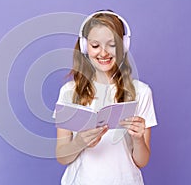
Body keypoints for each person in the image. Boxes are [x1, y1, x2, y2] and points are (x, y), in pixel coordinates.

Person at [54, 10, 158, 185]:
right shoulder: (69, 92)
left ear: (123, 46)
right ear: (86, 47)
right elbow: (62, 157)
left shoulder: (141, 92)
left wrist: (138, 139)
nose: (103, 53)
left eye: (112, 45)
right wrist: (79, 142)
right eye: (95, 46)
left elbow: (142, 161)